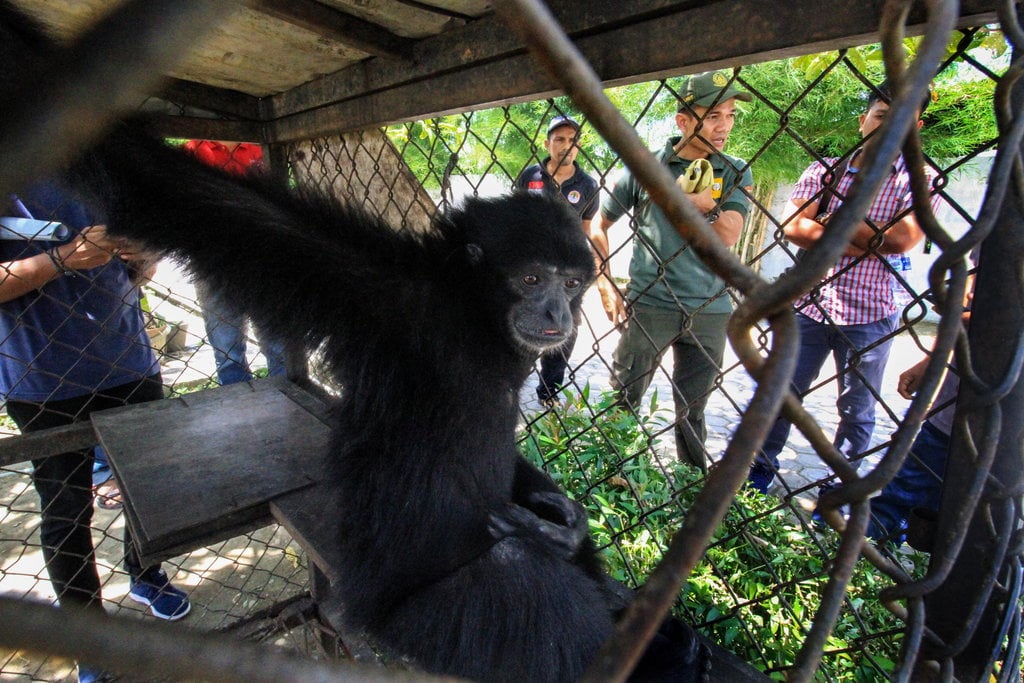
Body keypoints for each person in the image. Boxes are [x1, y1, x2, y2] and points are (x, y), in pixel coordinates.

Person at [1, 181, 191, 682]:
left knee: (145, 488)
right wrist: (60, 260)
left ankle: (146, 575)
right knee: (65, 509)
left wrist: (146, 255)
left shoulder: (96, 172)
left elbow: (142, 267)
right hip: (43, 382)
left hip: (129, 365)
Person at [747, 83, 942, 503]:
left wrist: (833, 218)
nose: (887, 126)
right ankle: (757, 474)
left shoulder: (922, 181)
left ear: (917, 127)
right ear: (863, 121)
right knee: (782, 394)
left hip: (872, 315)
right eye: (880, 115)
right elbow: (794, 227)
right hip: (810, 307)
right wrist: (871, 237)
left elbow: (903, 240)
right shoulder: (824, 170)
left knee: (857, 412)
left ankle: (837, 492)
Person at [590, 70, 754, 472]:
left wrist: (699, 203)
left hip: (712, 311)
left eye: (731, 115)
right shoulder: (646, 167)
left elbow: (727, 235)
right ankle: (612, 477)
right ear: (683, 121)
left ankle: (692, 482)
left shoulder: (734, 170)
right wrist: (606, 284)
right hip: (651, 306)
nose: (725, 126)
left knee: (693, 411)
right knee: (625, 400)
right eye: (713, 115)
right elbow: (599, 224)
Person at [182, 140, 287, 385]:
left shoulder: (260, 147)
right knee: (227, 347)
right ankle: (238, 403)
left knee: (278, 344)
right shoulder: (193, 150)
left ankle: (287, 398)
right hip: (212, 258)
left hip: (263, 257)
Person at [514, 115, 600, 406]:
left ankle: (548, 394)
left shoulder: (587, 184)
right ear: (547, 143)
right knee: (524, 326)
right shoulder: (530, 177)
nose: (567, 146)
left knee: (565, 329)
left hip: (567, 274)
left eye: (573, 140)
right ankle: (510, 387)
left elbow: (587, 229)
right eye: (560, 139)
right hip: (532, 269)